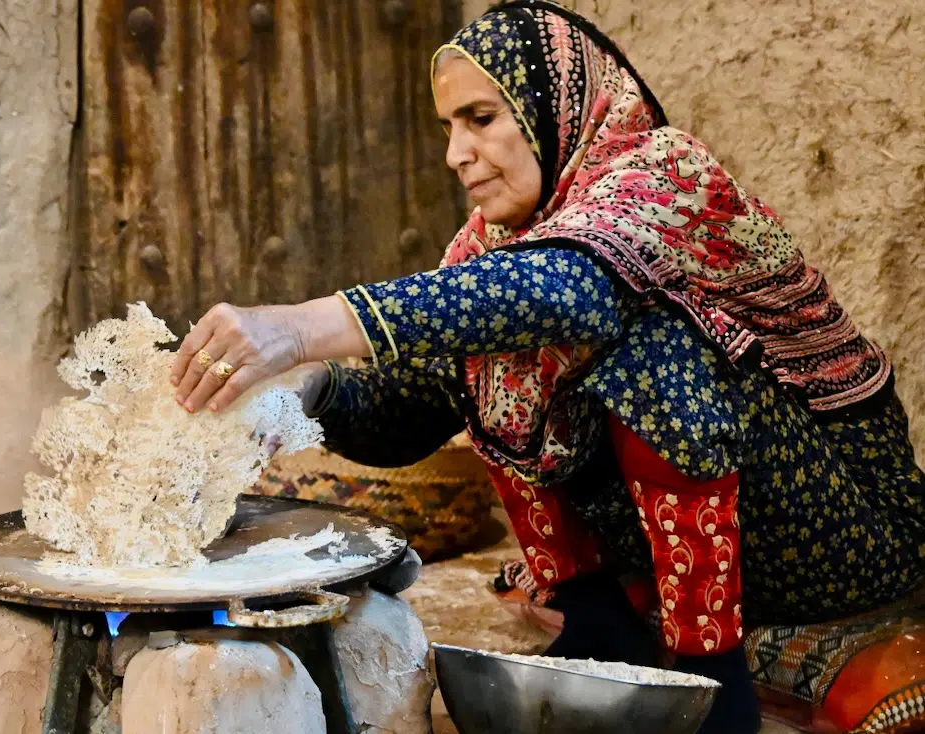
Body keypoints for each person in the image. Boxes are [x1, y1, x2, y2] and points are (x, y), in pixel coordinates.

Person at [168, 2, 925, 731]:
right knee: (487, 338)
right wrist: (304, 391)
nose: (455, 155)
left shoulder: (662, 173)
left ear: (554, 106)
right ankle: (599, 628)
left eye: (482, 119)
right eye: (448, 128)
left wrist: (302, 328)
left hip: (846, 533)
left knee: (629, 337)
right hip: (734, 545)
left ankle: (713, 684)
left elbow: (571, 292)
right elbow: (416, 409)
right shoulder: (492, 245)